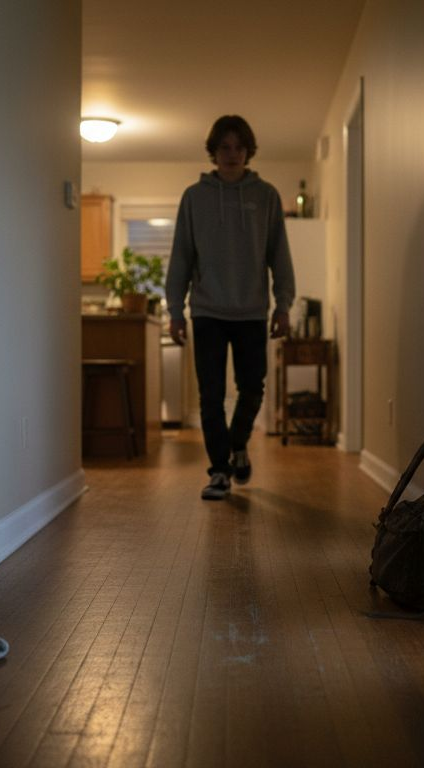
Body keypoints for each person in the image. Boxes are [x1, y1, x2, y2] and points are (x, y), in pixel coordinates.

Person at [165, 115, 296, 500]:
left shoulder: (266, 195)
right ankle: (219, 471)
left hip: (253, 310)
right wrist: (175, 309)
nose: (232, 154)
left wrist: (283, 305)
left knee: (252, 389)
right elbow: (181, 258)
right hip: (206, 311)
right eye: (225, 147)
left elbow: (280, 257)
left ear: (248, 151)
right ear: (214, 151)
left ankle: (238, 445)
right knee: (210, 395)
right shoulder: (194, 197)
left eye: (239, 147)